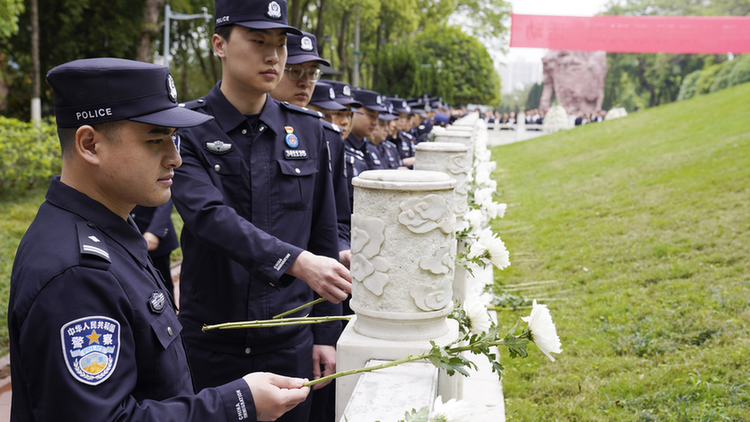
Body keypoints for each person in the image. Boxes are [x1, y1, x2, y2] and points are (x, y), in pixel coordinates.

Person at [8, 57, 311, 422]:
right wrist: (237, 403)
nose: (175, 158)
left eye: (174, 138)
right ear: (89, 144)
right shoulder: (76, 275)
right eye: (155, 139)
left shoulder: (108, 230)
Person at [170, 1, 351, 422]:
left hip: (289, 342)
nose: (273, 56)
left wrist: (324, 333)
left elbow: (323, 235)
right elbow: (209, 216)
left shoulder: (310, 131)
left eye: (280, 44)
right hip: (214, 342)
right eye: (257, 41)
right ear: (220, 44)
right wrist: (297, 262)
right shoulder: (189, 129)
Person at [131, 200, 178, 296]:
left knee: (163, 287)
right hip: (129, 238)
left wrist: (155, 231)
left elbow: (165, 199)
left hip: (154, 238)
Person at [349, 88, 387, 171]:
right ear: (353, 112)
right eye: (371, 116)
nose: (375, 123)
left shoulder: (371, 149)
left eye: (377, 117)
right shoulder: (341, 148)